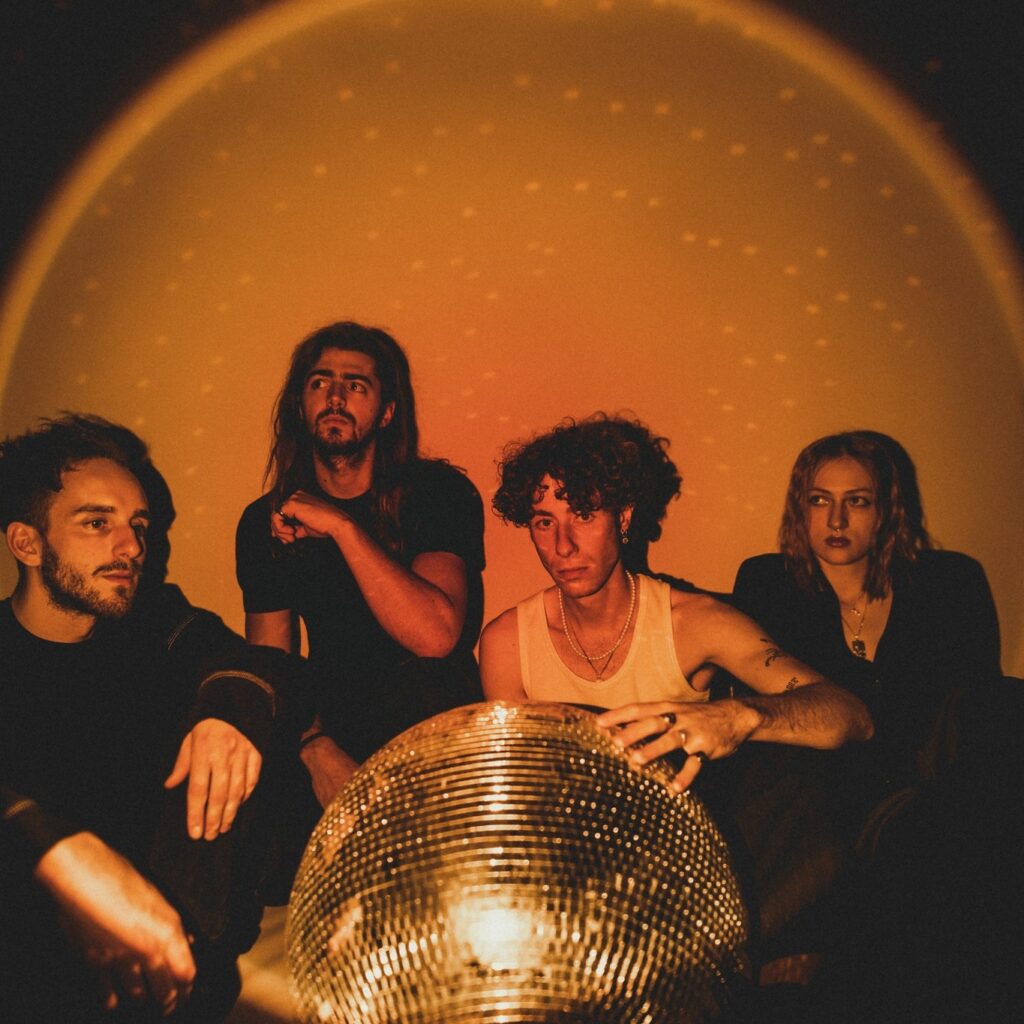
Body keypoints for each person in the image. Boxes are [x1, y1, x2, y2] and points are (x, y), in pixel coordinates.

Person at [0, 414, 311, 1022]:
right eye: (98, 522)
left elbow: (250, 664)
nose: (132, 548)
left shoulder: (156, 623)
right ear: (27, 544)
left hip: (174, 962)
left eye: (138, 526)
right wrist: (50, 851)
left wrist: (228, 713)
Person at [731, 429, 1021, 1022]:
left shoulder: (949, 583)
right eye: (819, 500)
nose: (836, 519)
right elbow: (771, 713)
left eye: (857, 501)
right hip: (817, 794)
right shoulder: (767, 583)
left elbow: (966, 707)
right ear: (800, 509)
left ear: (886, 510)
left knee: (1003, 707)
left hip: (925, 786)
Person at [479, 413, 873, 795]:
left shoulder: (693, 622)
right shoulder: (508, 644)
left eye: (583, 515)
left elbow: (850, 716)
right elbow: (514, 784)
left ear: (623, 518)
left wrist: (736, 717)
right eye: (545, 523)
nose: (563, 546)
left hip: (678, 831)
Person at [236, 321, 485, 812]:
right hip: (333, 724)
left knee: (427, 686)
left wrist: (342, 528)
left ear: (387, 412)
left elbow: (435, 637)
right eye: (320, 383)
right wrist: (314, 748)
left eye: (355, 385)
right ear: (300, 405)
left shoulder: (436, 493)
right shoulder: (266, 522)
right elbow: (272, 667)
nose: (335, 397)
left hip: (434, 721)